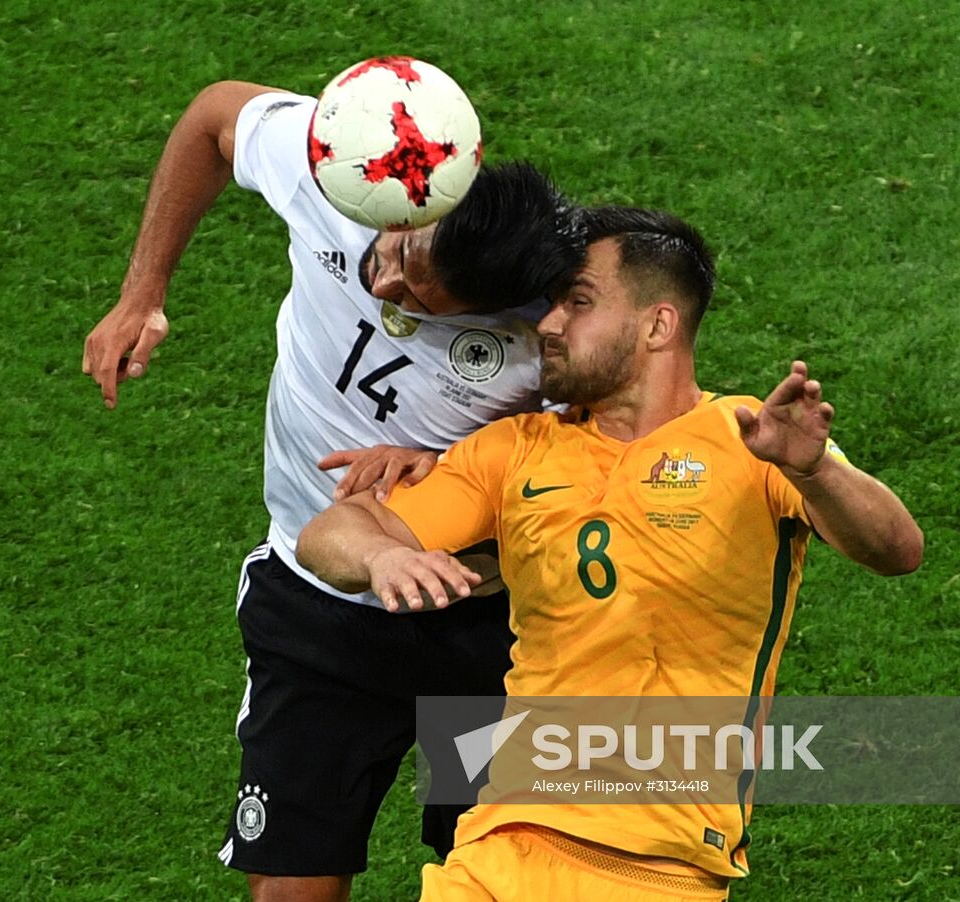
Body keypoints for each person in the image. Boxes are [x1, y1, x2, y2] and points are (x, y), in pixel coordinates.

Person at [297, 205, 924, 900]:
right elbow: (328, 534)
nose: (547, 324)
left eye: (578, 302)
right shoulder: (516, 450)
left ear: (658, 325)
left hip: (655, 865)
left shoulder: (749, 440)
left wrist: (816, 471)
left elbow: (898, 549)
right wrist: (383, 558)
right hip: (496, 846)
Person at [82, 79, 587, 901]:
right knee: (292, 887)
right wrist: (143, 292)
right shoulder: (353, 180)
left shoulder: (561, 327)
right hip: (319, 610)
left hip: (491, 630)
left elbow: (598, 463)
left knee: (502, 882)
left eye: (422, 304)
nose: (387, 291)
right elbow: (214, 118)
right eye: (402, 259)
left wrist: (443, 465)